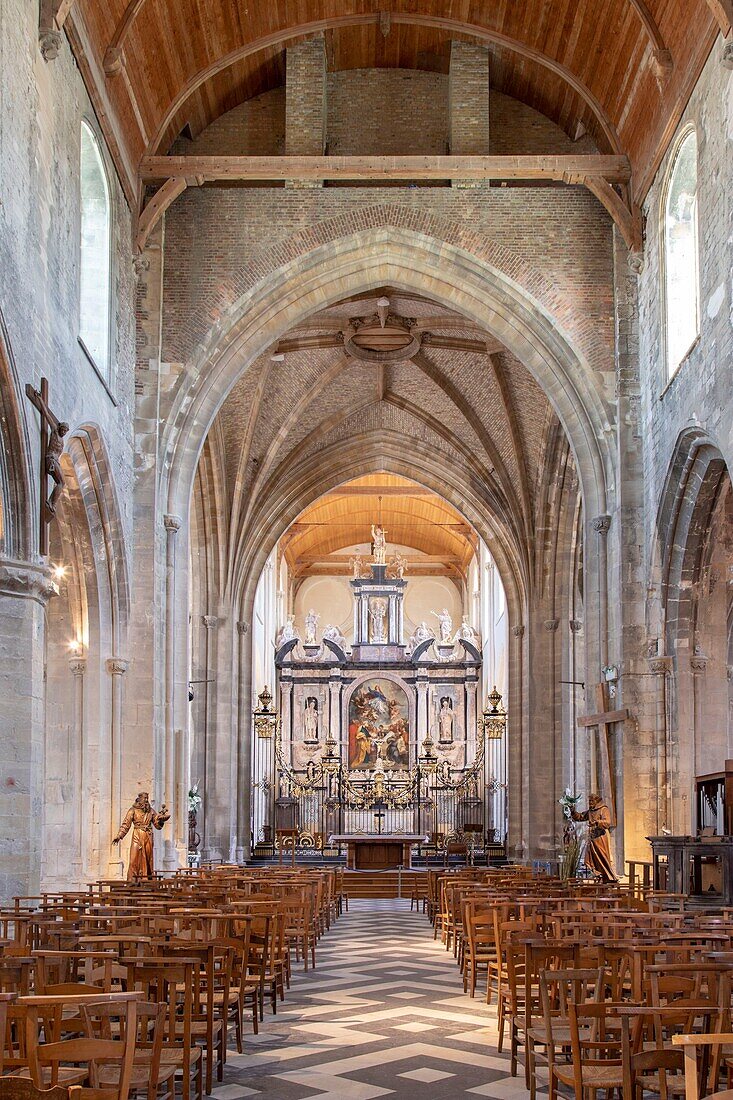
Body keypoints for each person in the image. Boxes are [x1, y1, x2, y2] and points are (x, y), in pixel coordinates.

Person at [113, 791, 169, 880]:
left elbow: (157, 825)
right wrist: (119, 836)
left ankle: (146, 879)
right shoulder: (133, 810)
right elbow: (126, 824)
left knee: (147, 858)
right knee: (133, 858)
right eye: (144, 798)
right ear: (139, 799)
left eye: (147, 798)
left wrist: (161, 820)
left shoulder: (151, 811)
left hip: (148, 836)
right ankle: (132, 880)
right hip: (137, 835)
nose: (146, 800)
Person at [572, 792, 617, 883]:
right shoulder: (591, 811)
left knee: (602, 858)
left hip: (600, 838)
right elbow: (580, 817)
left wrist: (596, 823)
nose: (590, 803)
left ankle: (607, 877)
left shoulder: (603, 809)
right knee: (591, 859)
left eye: (592, 801)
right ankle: (598, 875)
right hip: (592, 839)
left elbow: (607, 822)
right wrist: (573, 811)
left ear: (597, 801)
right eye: (589, 801)